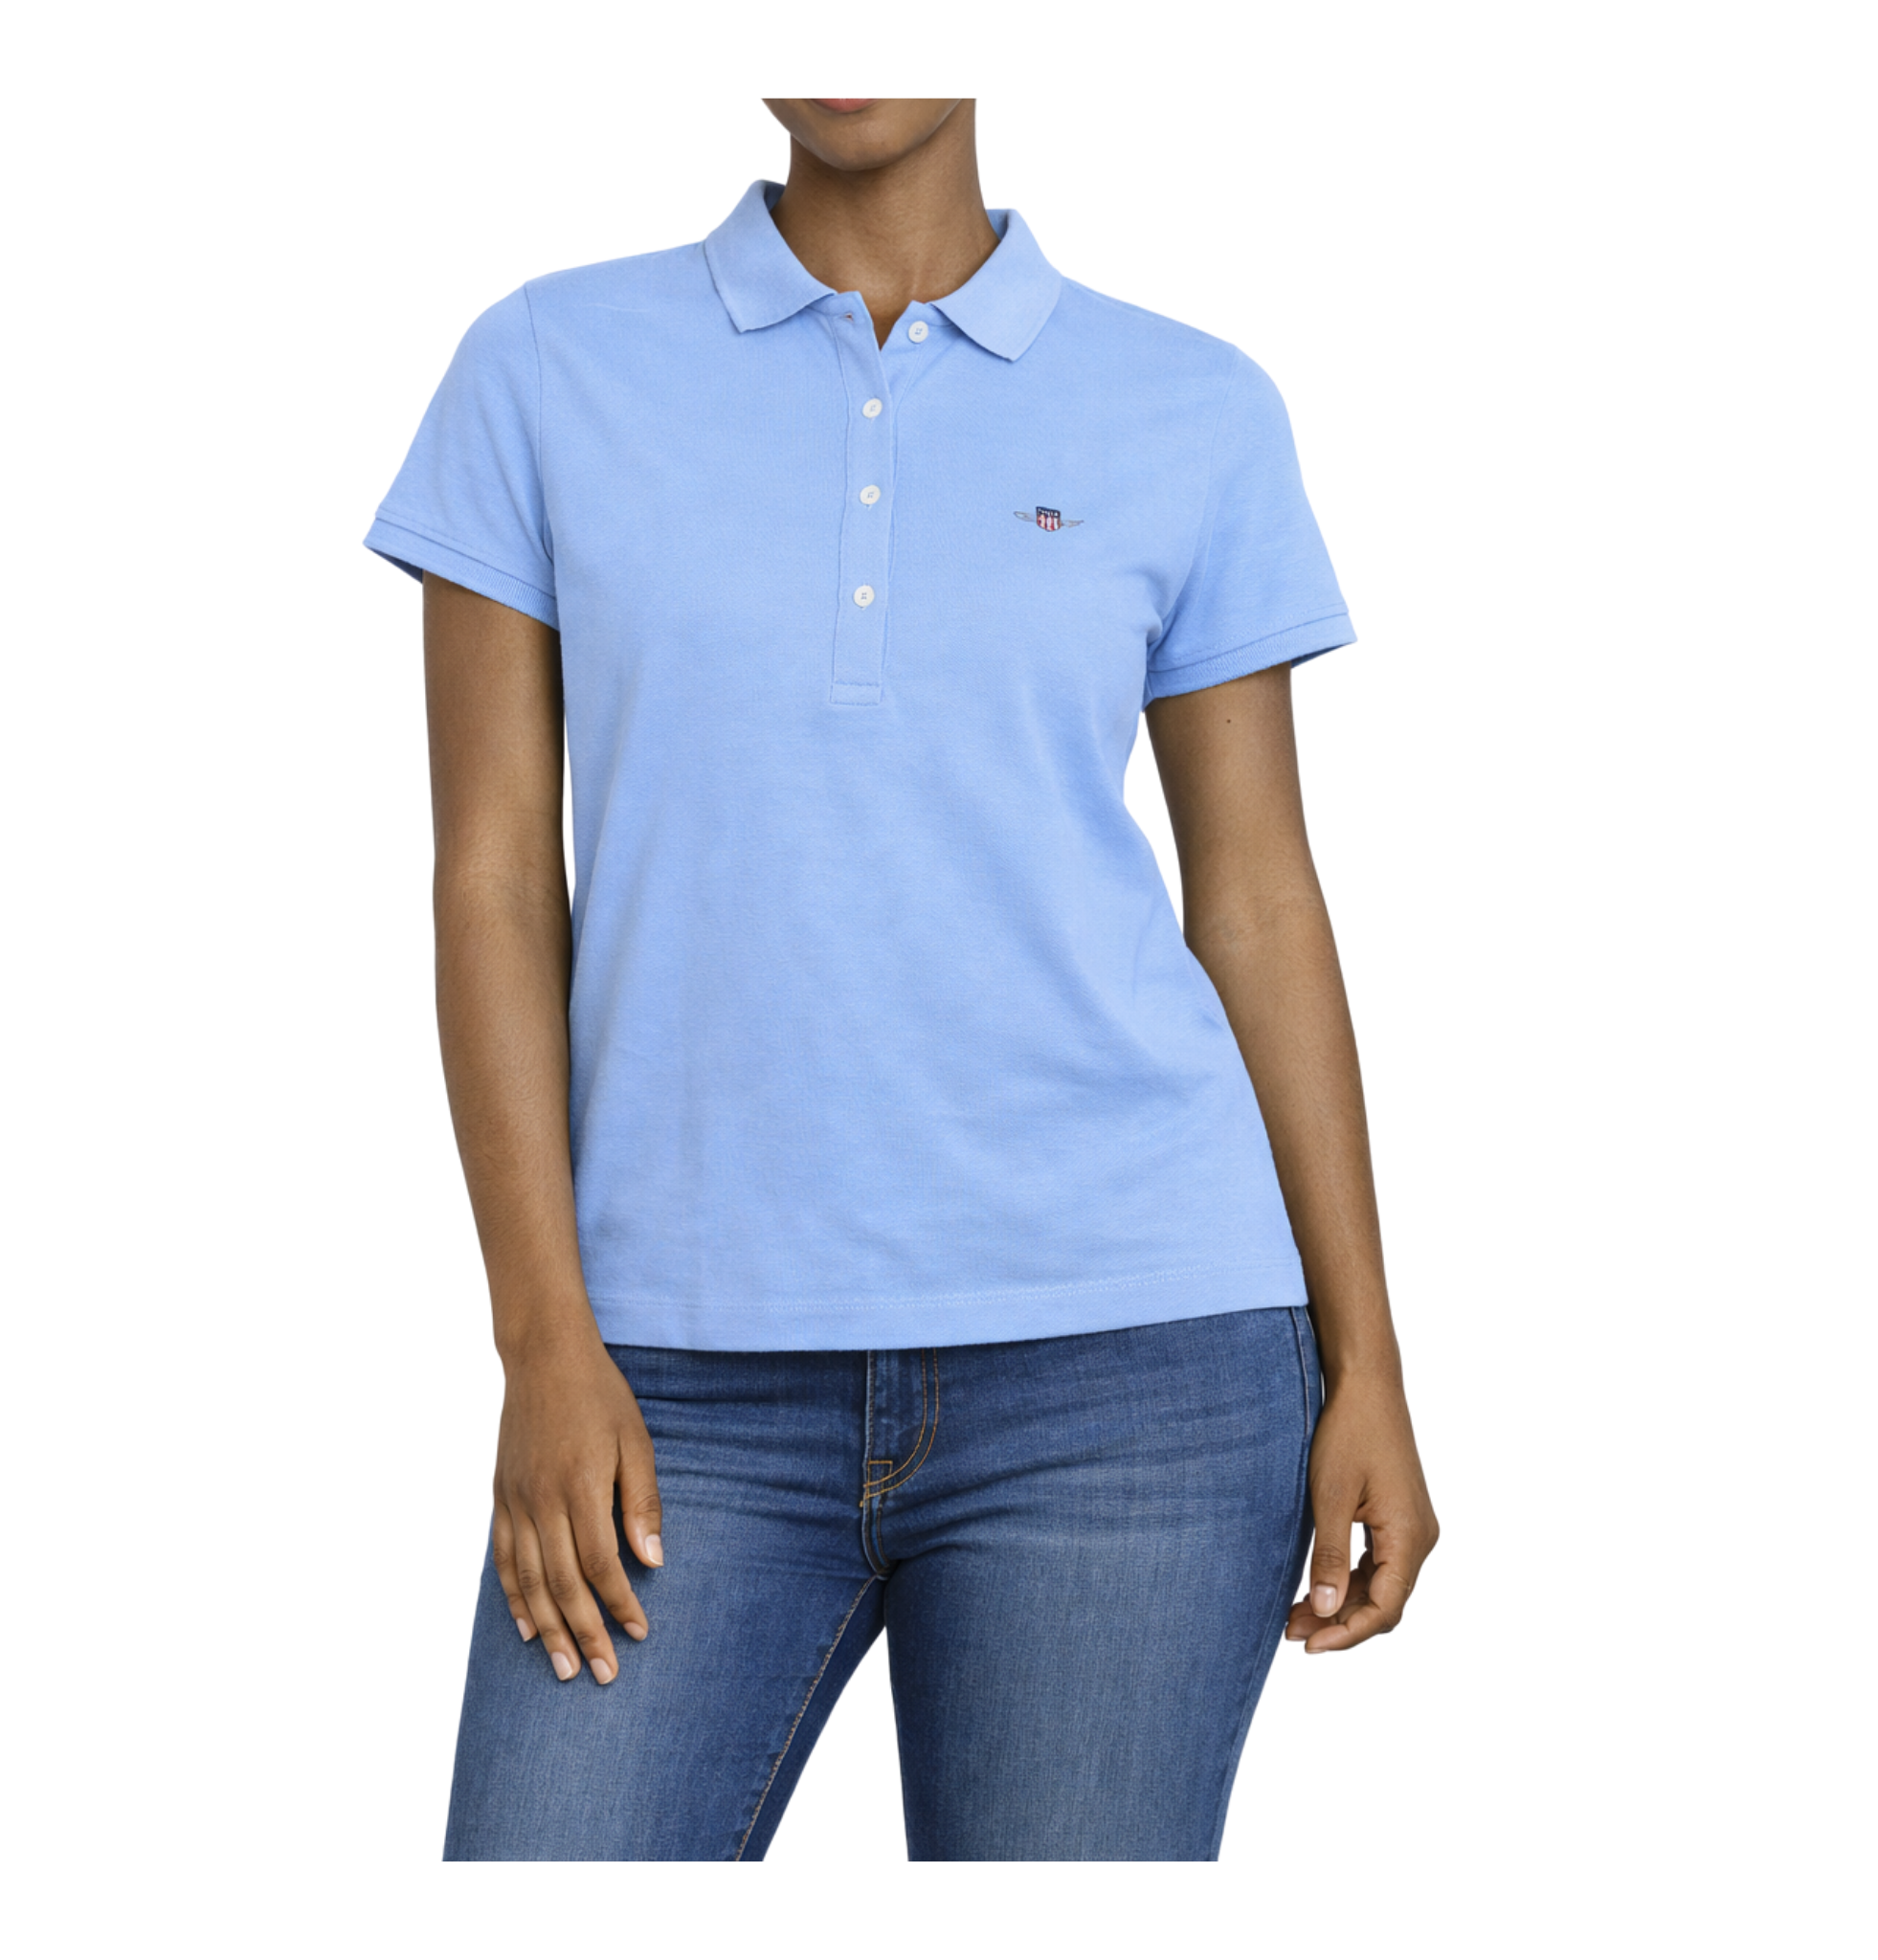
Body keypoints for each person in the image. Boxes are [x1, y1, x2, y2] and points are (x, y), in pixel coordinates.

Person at [366, 98, 1438, 1862]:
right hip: (672, 1378)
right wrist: (540, 1335)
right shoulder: (546, 366)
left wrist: (1369, 1356)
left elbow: (1256, 898)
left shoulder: (1193, 405)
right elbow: (489, 881)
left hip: (1134, 1373)